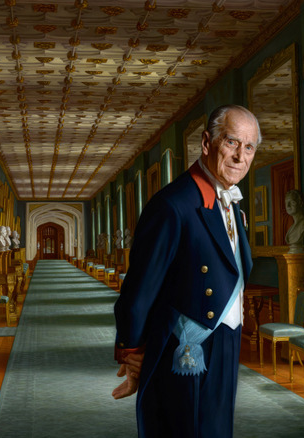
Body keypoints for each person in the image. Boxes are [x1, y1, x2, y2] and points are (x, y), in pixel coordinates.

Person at [112, 104, 260, 438]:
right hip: (188, 348)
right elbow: (138, 290)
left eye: (249, 147)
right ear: (207, 143)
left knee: (216, 430)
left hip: (227, 340)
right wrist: (133, 352)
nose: (240, 156)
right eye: (232, 142)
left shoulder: (233, 206)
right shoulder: (172, 204)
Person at [283, 189, 304, 254]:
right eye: (286, 203)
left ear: (300, 203)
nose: (288, 206)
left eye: (292, 202)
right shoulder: (292, 227)